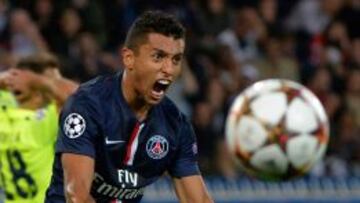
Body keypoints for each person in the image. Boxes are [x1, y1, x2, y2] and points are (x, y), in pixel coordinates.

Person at [45, 10, 214, 203]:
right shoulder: (88, 106)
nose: (168, 69)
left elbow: (198, 200)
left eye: (176, 59)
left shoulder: (176, 125)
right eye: (158, 57)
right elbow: (77, 196)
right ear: (128, 58)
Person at [0, 52, 78, 203]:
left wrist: (7, 78)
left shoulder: (4, 114)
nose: (56, 87)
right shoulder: (45, 120)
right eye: (53, 82)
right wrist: (35, 80)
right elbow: (83, 99)